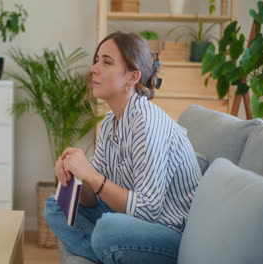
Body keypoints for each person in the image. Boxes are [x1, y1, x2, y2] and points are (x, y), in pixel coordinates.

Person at [44, 31, 202, 264]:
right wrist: (75, 176)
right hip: (132, 221)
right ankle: (110, 255)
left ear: (132, 76)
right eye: (96, 60)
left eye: (106, 62)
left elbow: (148, 210)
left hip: (170, 232)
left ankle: (107, 252)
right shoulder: (110, 123)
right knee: (56, 206)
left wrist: (92, 176)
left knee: (108, 228)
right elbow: (91, 200)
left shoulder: (146, 122)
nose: (94, 69)